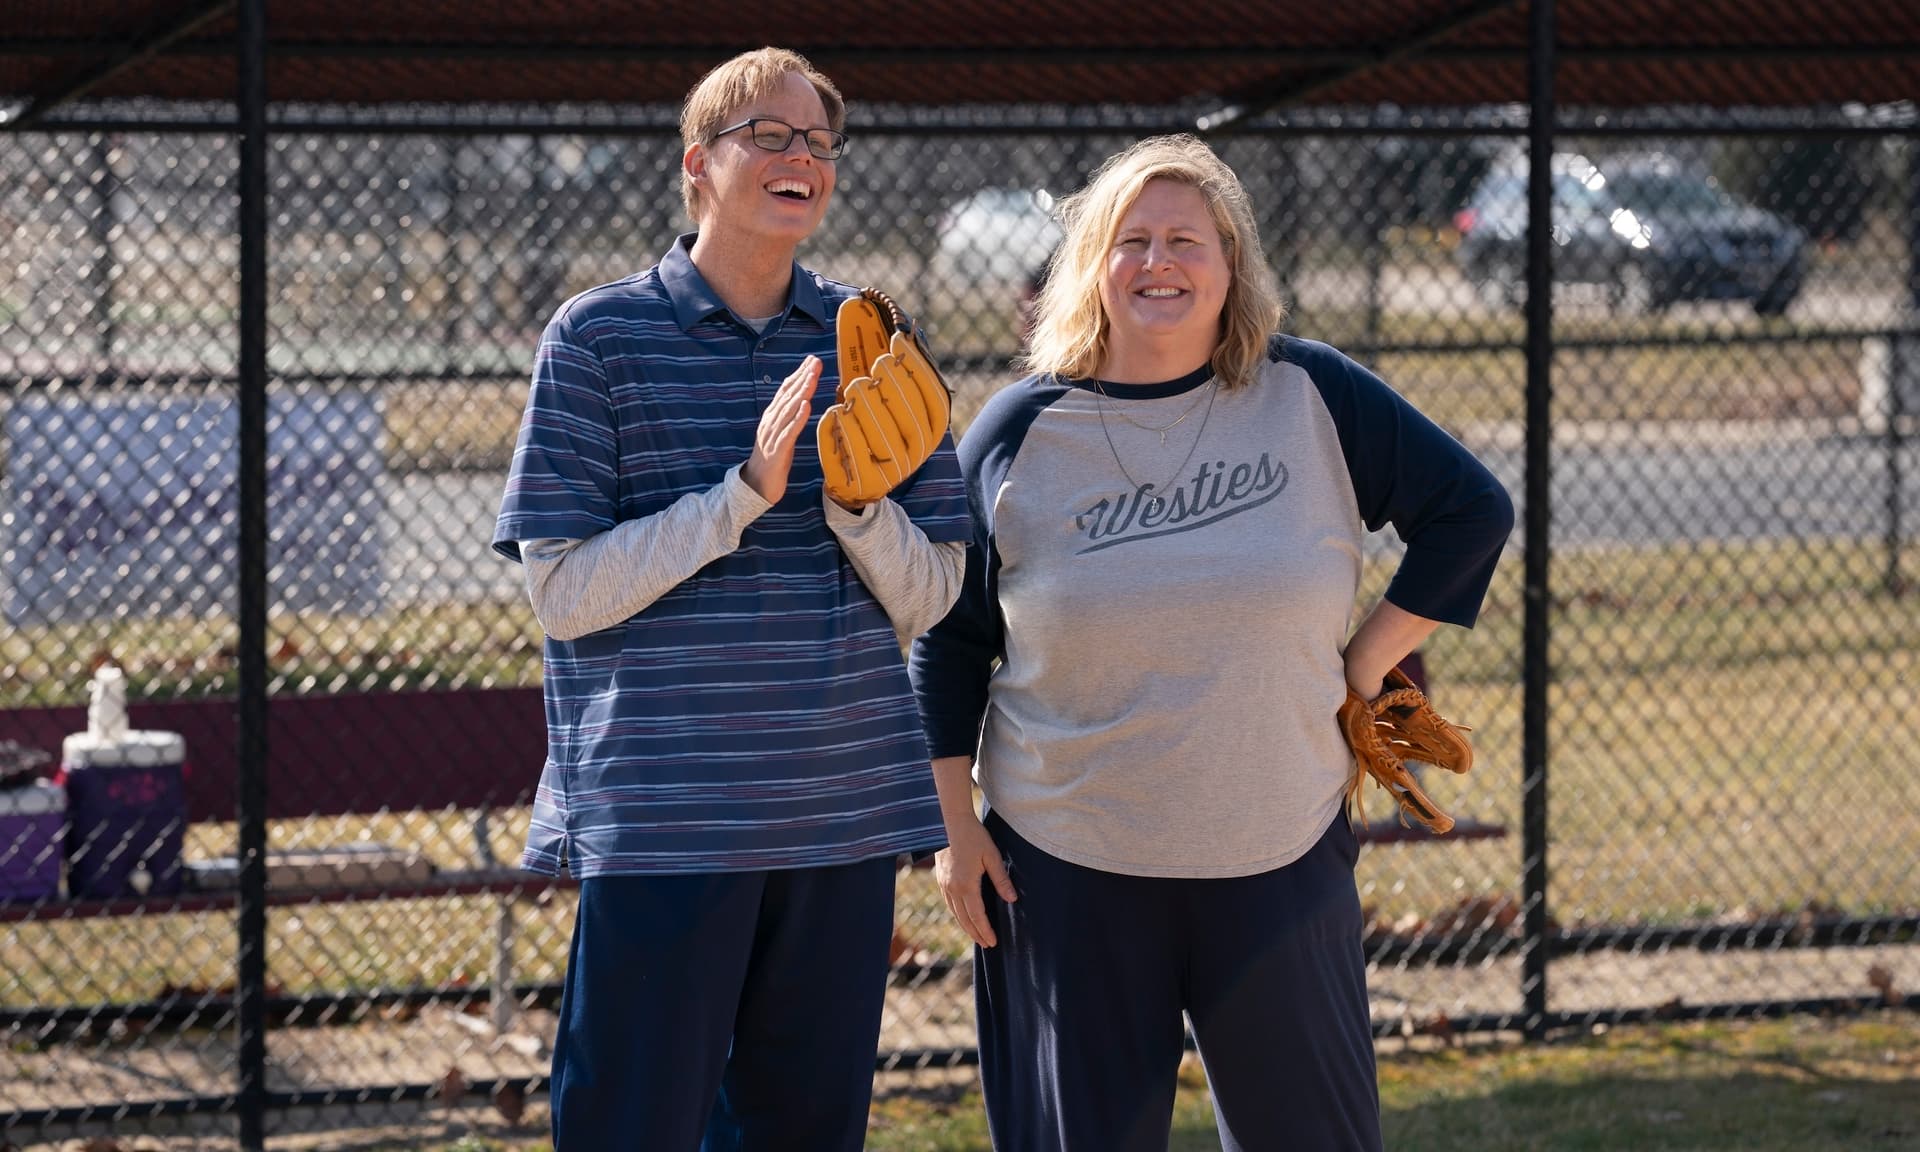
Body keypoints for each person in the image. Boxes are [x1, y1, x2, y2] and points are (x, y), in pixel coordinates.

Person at [909, 134, 1514, 1152]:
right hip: (1067, 863)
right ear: (1092, 267)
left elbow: (1471, 511)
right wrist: (950, 828)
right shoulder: (1020, 429)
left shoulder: (1313, 396)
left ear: (1233, 266)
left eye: (1188, 240)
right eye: (1132, 240)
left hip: (1275, 853)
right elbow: (951, 638)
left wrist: (1365, 664)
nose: (1160, 263)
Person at [491, 47, 970, 1151]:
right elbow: (563, 595)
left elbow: (936, 592)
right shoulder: (596, 338)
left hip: (838, 821)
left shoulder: (874, 343)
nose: (799, 156)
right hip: (667, 825)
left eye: (817, 142)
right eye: (769, 135)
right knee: (630, 1128)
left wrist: (858, 508)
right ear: (698, 163)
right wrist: (742, 496)